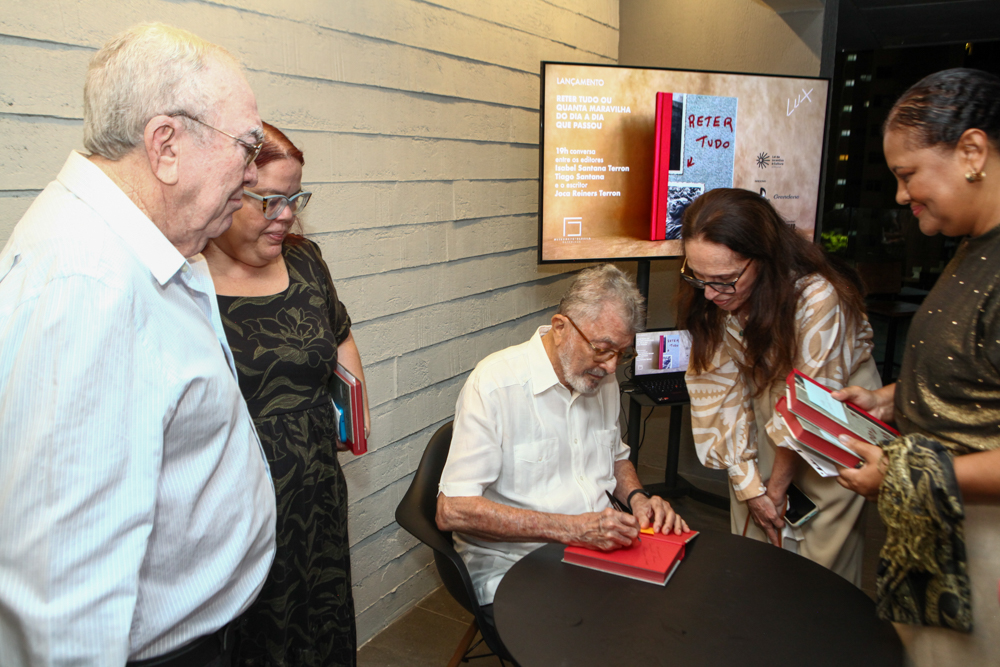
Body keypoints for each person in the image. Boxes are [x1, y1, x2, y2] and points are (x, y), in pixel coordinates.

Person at [0, 24, 276, 667]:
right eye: (248, 146)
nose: (254, 171)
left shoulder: (144, 247)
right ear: (166, 145)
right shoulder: (91, 286)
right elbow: (63, 603)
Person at [834, 68, 1000, 667]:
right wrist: (887, 400)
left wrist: (905, 477)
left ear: (972, 152)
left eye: (907, 175)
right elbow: (975, 368)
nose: (902, 196)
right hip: (940, 523)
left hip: (982, 544)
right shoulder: (973, 247)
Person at [436, 264, 688, 629]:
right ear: (560, 327)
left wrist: (638, 499)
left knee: (674, 616)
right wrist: (572, 529)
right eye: (602, 349)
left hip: (597, 553)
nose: (611, 366)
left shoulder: (601, 378)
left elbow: (616, 458)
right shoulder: (495, 385)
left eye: (622, 354)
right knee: (617, 638)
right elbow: (453, 511)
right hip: (517, 566)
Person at [203, 123, 368, 667]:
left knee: (318, 628)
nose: (287, 215)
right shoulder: (187, 278)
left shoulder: (304, 261)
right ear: (227, 190)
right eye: (270, 200)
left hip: (316, 492)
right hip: (237, 509)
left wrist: (351, 415)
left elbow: (338, 332)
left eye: (295, 198)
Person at [680, 188, 877, 585]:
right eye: (698, 278)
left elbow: (811, 402)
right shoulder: (713, 297)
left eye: (725, 280)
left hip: (832, 413)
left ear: (764, 258)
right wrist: (752, 486)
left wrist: (778, 486)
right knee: (755, 536)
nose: (711, 294)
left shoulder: (817, 296)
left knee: (820, 559)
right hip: (764, 406)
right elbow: (719, 394)